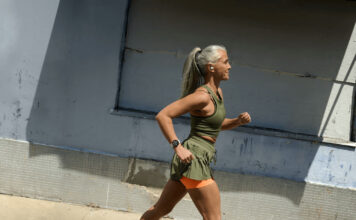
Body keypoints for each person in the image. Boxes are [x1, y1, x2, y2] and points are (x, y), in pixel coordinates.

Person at [140, 45, 251, 220]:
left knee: (160, 210)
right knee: (213, 218)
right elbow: (163, 115)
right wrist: (178, 147)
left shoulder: (217, 93)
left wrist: (237, 121)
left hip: (198, 157)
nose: (230, 66)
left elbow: (216, 125)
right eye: (226, 62)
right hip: (194, 159)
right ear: (211, 67)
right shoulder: (202, 96)